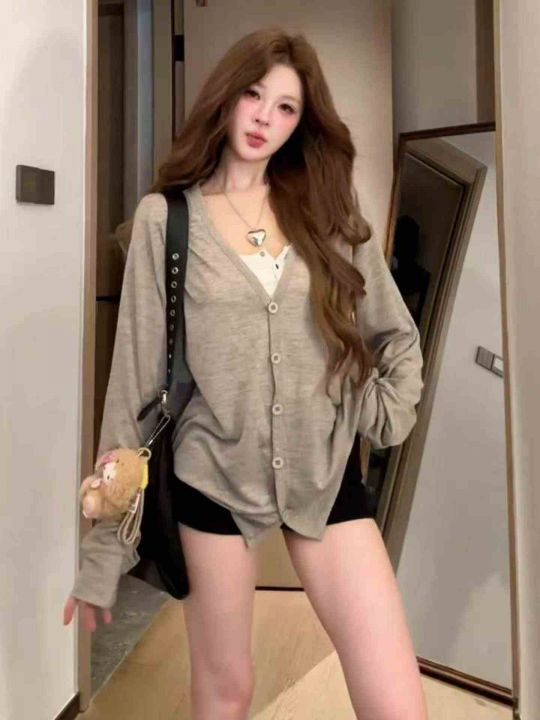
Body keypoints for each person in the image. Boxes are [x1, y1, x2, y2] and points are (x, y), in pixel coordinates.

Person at [64, 27, 427, 719]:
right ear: (226, 98)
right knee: (226, 693)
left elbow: (396, 338)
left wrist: (381, 413)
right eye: (254, 95)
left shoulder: (328, 213)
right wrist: (103, 553)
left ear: (301, 124)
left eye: (286, 107)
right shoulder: (165, 221)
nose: (264, 117)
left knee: (396, 701)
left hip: (324, 471)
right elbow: (131, 391)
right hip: (213, 477)